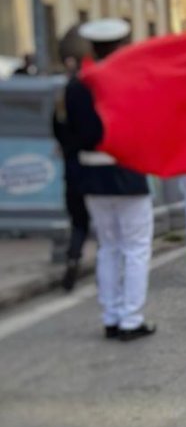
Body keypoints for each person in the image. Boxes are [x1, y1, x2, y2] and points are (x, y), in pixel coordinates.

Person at [61, 19, 156, 341]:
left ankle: (111, 316)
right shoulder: (131, 80)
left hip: (91, 174)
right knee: (136, 248)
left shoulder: (76, 86)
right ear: (120, 46)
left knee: (109, 247)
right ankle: (131, 319)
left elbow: (65, 133)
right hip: (127, 172)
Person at [51, 60, 89, 291]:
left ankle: (73, 257)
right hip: (90, 170)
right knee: (107, 227)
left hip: (70, 169)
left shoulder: (61, 101)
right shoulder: (86, 98)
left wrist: (65, 149)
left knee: (78, 223)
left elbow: (56, 129)